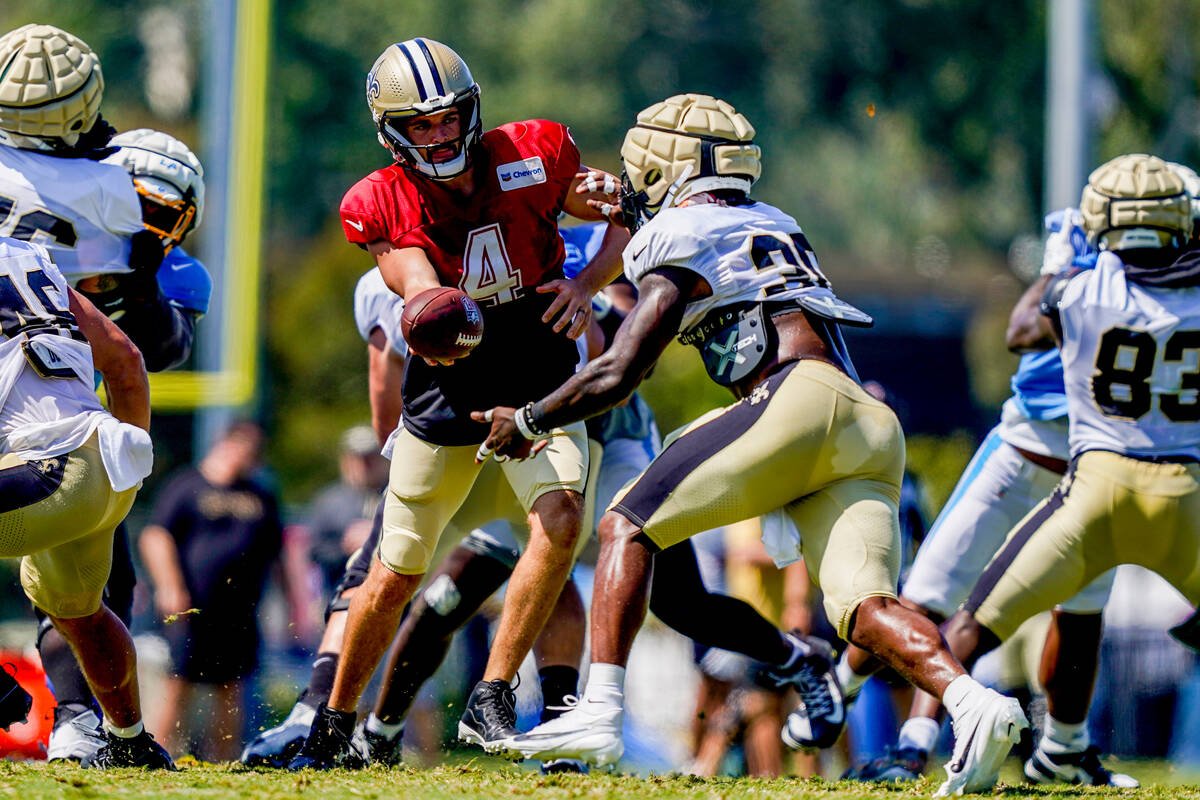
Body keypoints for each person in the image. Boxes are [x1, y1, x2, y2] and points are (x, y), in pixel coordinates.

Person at [476, 93, 1028, 796]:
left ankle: (600, 711)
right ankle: (974, 704)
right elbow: (704, 233)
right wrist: (634, 211)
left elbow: (620, 371)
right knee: (864, 609)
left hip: (792, 398)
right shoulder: (775, 220)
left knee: (624, 521)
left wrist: (528, 419)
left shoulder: (677, 236)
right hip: (863, 420)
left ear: (668, 163)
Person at [838, 205, 1135, 787]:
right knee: (938, 601)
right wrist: (1058, 275)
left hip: (1099, 464)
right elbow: (1020, 332)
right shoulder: (1085, 269)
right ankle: (867, 713)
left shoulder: (1166, 279)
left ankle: (1064, 751)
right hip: (1028, 450)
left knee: (1079, 616)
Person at [936, 152, 1200, 786]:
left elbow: (1022, 333)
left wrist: (1058, 263)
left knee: (975, 621)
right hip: (1187, 494)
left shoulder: (1081, 289)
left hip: (1098, 489)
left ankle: (937, 735)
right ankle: (1056, 750)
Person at [0, 23, 211, 761]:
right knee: (73, 595)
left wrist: (140, 273)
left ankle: (89, 723)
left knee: (89, 591)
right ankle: (102, 730)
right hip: (69, 426)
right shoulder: (82, 204)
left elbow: (158, 349)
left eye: (162, 211)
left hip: (67, 424)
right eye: (140, 203)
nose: (144, 218)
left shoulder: (146, 257)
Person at [0, 237, 172, 769]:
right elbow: (125, 359)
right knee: (81, 611)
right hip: (105, 458)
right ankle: (130, 740)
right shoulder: (30, 258)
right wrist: (129, 472)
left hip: (47, 468)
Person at [139, 421, 286, 761]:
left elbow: (277, 551)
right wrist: (170, 585)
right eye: (246, 452)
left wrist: (292, 601)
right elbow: (156, 536)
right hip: (191, 607)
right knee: (180, 683)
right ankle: (163, 755)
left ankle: (223, 760)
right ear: (227, 445)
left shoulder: (259, 494)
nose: (250, 461)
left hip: (239, 610)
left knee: (230, 687)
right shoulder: (186, 485)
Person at [306, 424, 388, 598]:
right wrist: (345, 545)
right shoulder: (329, 501)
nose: (365, 465)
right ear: (345, 460)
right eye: (358, 458)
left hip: (388, 597)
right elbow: (313, 550)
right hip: (341, 595)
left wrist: (377, 539)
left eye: (371, 457)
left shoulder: (397, 496)